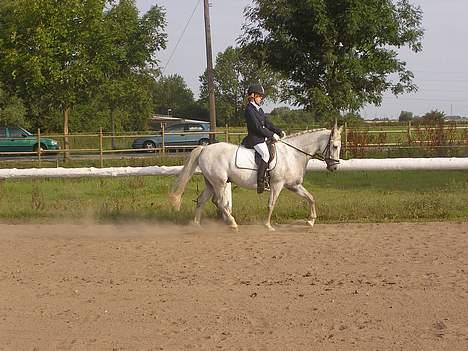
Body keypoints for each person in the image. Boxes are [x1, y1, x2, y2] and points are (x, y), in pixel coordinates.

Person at [242, 84, 286, 193]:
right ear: (252, 96)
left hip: (261, 138)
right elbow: (257, 127)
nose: (261, 98)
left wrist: (278, 131)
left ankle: (269, 177)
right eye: (259, 96)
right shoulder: (249, 110)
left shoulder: (259, 110)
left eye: (261, 96)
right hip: (254, 139)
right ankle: (261, 183)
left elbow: (267, 124)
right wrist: (271, 135)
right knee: (265, 154)